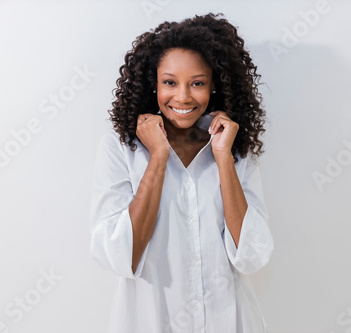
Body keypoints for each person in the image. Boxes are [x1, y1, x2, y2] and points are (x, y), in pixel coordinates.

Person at [90, 13, 274, 333]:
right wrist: (158, 156)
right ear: (155, 83)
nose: (184, 97)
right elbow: (122, 257)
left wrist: (223, 158)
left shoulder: (232, 147)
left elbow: (251, 256)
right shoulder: (121, 149)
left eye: (197, 83)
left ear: (214, 84)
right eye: (170, 82)